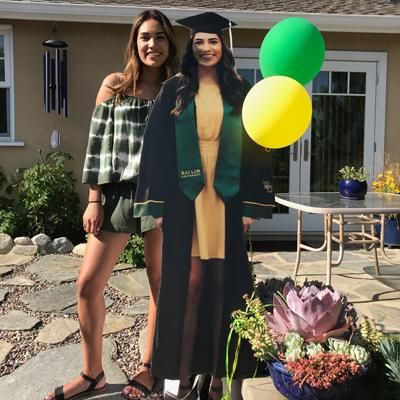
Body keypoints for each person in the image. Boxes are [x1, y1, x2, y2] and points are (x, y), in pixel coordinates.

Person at [134, 11, 274, 400]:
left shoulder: (240, 90)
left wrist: (251, 205)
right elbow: (155, 148)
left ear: (224, 46)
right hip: (185, 196)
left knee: (221, 286)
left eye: (214, 41)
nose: (207, 48)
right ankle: (179, 378)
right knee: (189, 285)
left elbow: (257, 146)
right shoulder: (175, 89)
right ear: (191, 47)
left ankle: (216, 377)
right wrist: (157, 204)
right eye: (199, 42)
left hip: (226, 197)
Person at [44, 9, 179, 400]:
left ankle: (150, 368)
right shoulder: (115, 86)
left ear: (170, 45)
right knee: (88, 285)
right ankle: (92, 374)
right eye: (145, 37)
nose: (152, 44)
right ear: (135, 43)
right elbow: (98, 145)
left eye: (160, 37)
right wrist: (94, 198)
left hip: (165, 199)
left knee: (160, 286)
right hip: (119, 194)